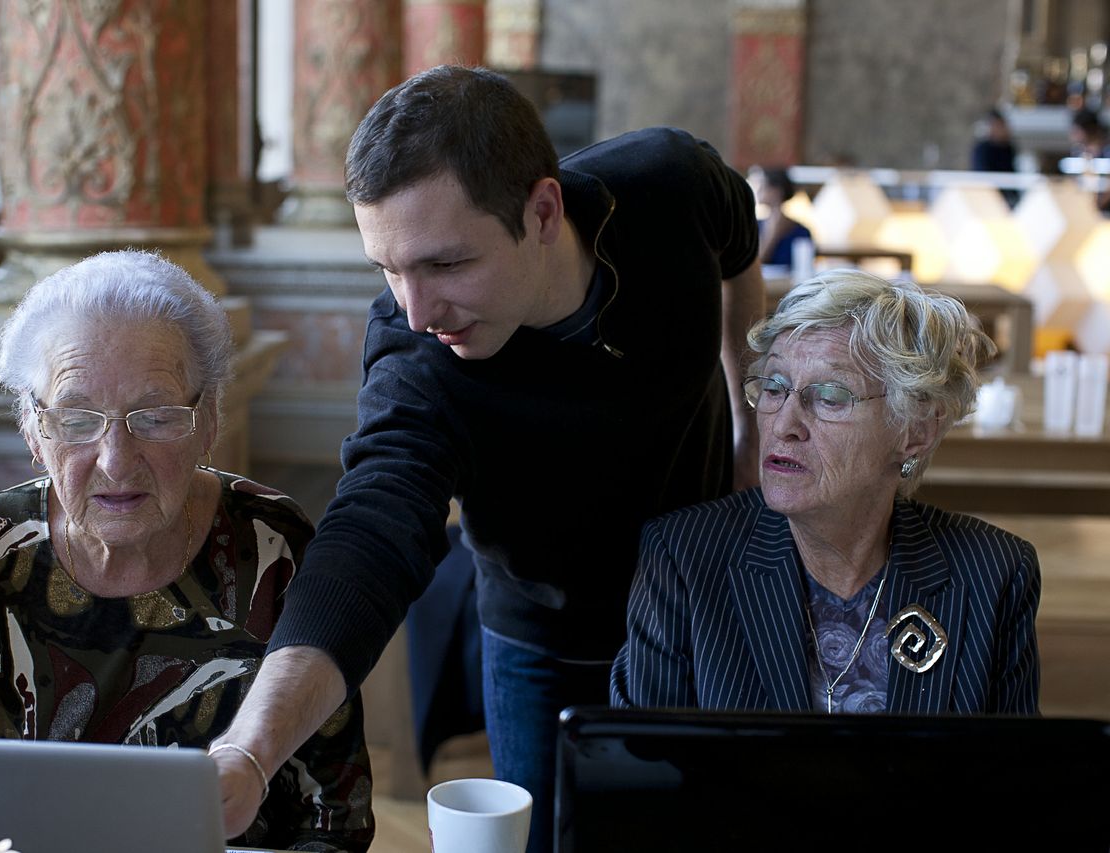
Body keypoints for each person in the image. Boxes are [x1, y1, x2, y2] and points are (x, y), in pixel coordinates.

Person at [212, 65, 766, 853]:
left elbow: (737, 233)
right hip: (543, 635)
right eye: (388, 269)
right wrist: (251, 748)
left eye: (444, 264)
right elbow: (370, 536)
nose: (417, 309)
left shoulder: (664, 186)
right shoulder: (416, 355)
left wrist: (751, 420)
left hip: (710, 600)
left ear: (543, 211)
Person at [0, 250, 374, 852]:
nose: (117, 461)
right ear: (33, 432)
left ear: (209, 421)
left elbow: (335, 815)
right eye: (77, 420)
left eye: (154, 416)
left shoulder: (272, 544)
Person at [611, 269, 1040, 715]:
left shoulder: (993, 574)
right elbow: (643, 768)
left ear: (915, 430)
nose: (783, 425)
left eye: (830, 397)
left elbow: (1014, 777)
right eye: (774, 388)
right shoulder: (684, 558)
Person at [750, 165, 813, 268]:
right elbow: (751, 264)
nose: (758, 190)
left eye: (763, 185)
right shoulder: (754, 226)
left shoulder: (801, 231)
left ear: (776, 190)